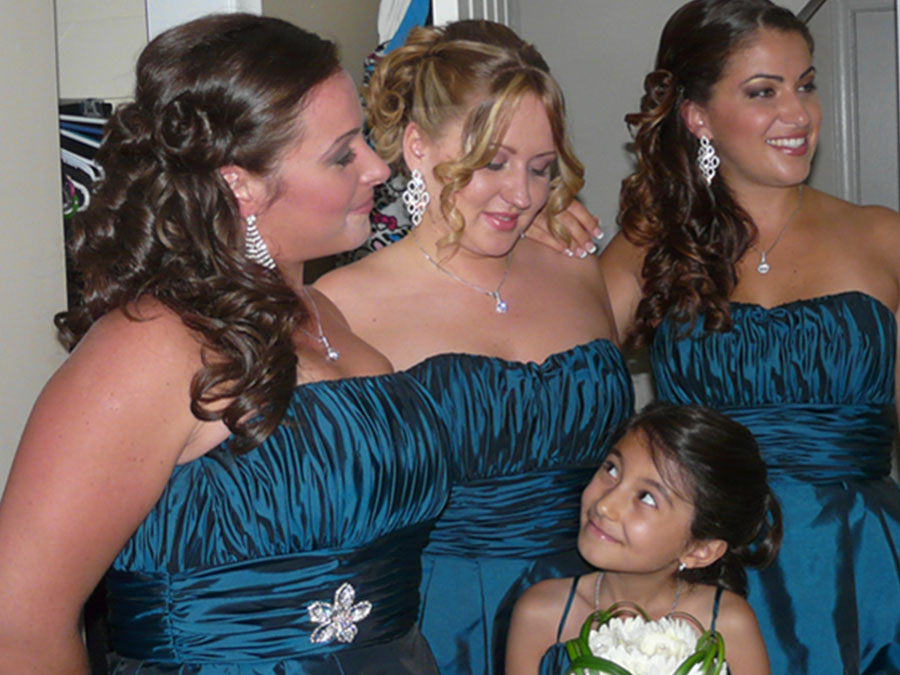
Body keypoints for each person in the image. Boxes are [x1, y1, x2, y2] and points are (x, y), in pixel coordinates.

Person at [0, 14, 455, 673]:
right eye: (342, 154)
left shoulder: (324, 312)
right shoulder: (150, 347)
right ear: (240, 183)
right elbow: (20, 623)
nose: (378, 167)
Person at [315, 20, 633, 674]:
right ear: (417, 146)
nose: (521, 195)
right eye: (493, 162)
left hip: (597, 617)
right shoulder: (343, 305)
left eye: (540, 168)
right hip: (440, 625)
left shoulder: (576, 269)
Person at [599, 0, 900, 671]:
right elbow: (560, 391)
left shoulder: (884, 237)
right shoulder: (651, 248)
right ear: (698, 116)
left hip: (867, 570)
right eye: (764, 91)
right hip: (710, 574)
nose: (799, 113)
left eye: (806, 85)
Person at [507, 403, 782, 675]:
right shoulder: (541, 613)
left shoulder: (729, 623)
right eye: (612, 469)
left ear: (701, 550)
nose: (605, 505)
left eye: (647, 498)